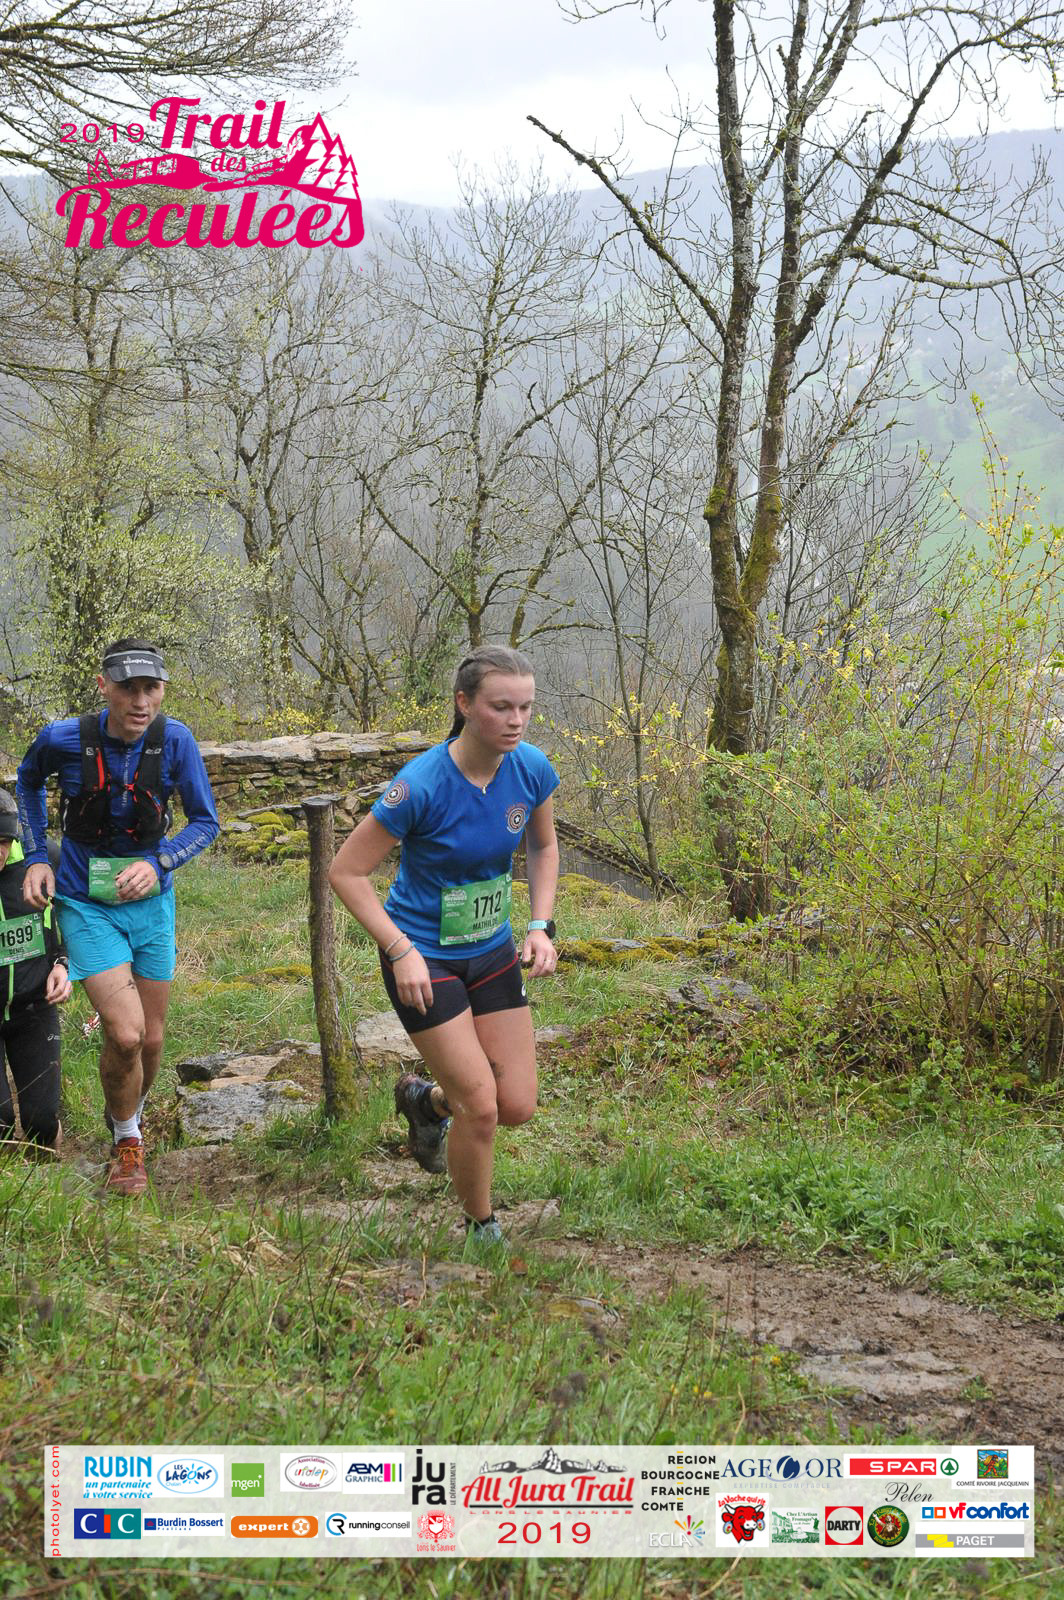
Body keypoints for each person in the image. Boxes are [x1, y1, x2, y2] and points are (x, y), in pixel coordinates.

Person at [329, 645, 560, 1251]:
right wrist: (398, 948)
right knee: (480, 1107)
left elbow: (542, 847)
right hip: (423, 957)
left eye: (526, 707)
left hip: (492, 949)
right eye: (501, 706)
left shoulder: (531, 768)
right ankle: (481, 1227)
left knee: (516, 1105)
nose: (516, 720)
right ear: (464, 704)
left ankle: (426, 1103)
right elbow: (346, 872)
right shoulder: (421, 784)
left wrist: (540, 924)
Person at [16, 639, 219, 1196]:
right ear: (104, 686)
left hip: (152, 905)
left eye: (151, 688)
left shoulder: (175, 741)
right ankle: (128, 1143)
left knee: (151, 1041)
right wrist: (37, 857)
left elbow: (205, 822)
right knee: (126, 1035)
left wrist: (160, 862)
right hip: (85, 903)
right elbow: (27, 782)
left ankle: (124, 1113)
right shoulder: (63, 739)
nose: (140, 701)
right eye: (128, 688)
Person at [0, 789, 71, 1154]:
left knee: (41, 1125)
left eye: (3, 842)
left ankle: (49, 1170)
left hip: (33, 1009)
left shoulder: (43, 860)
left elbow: (79, 916)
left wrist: (64, 964)